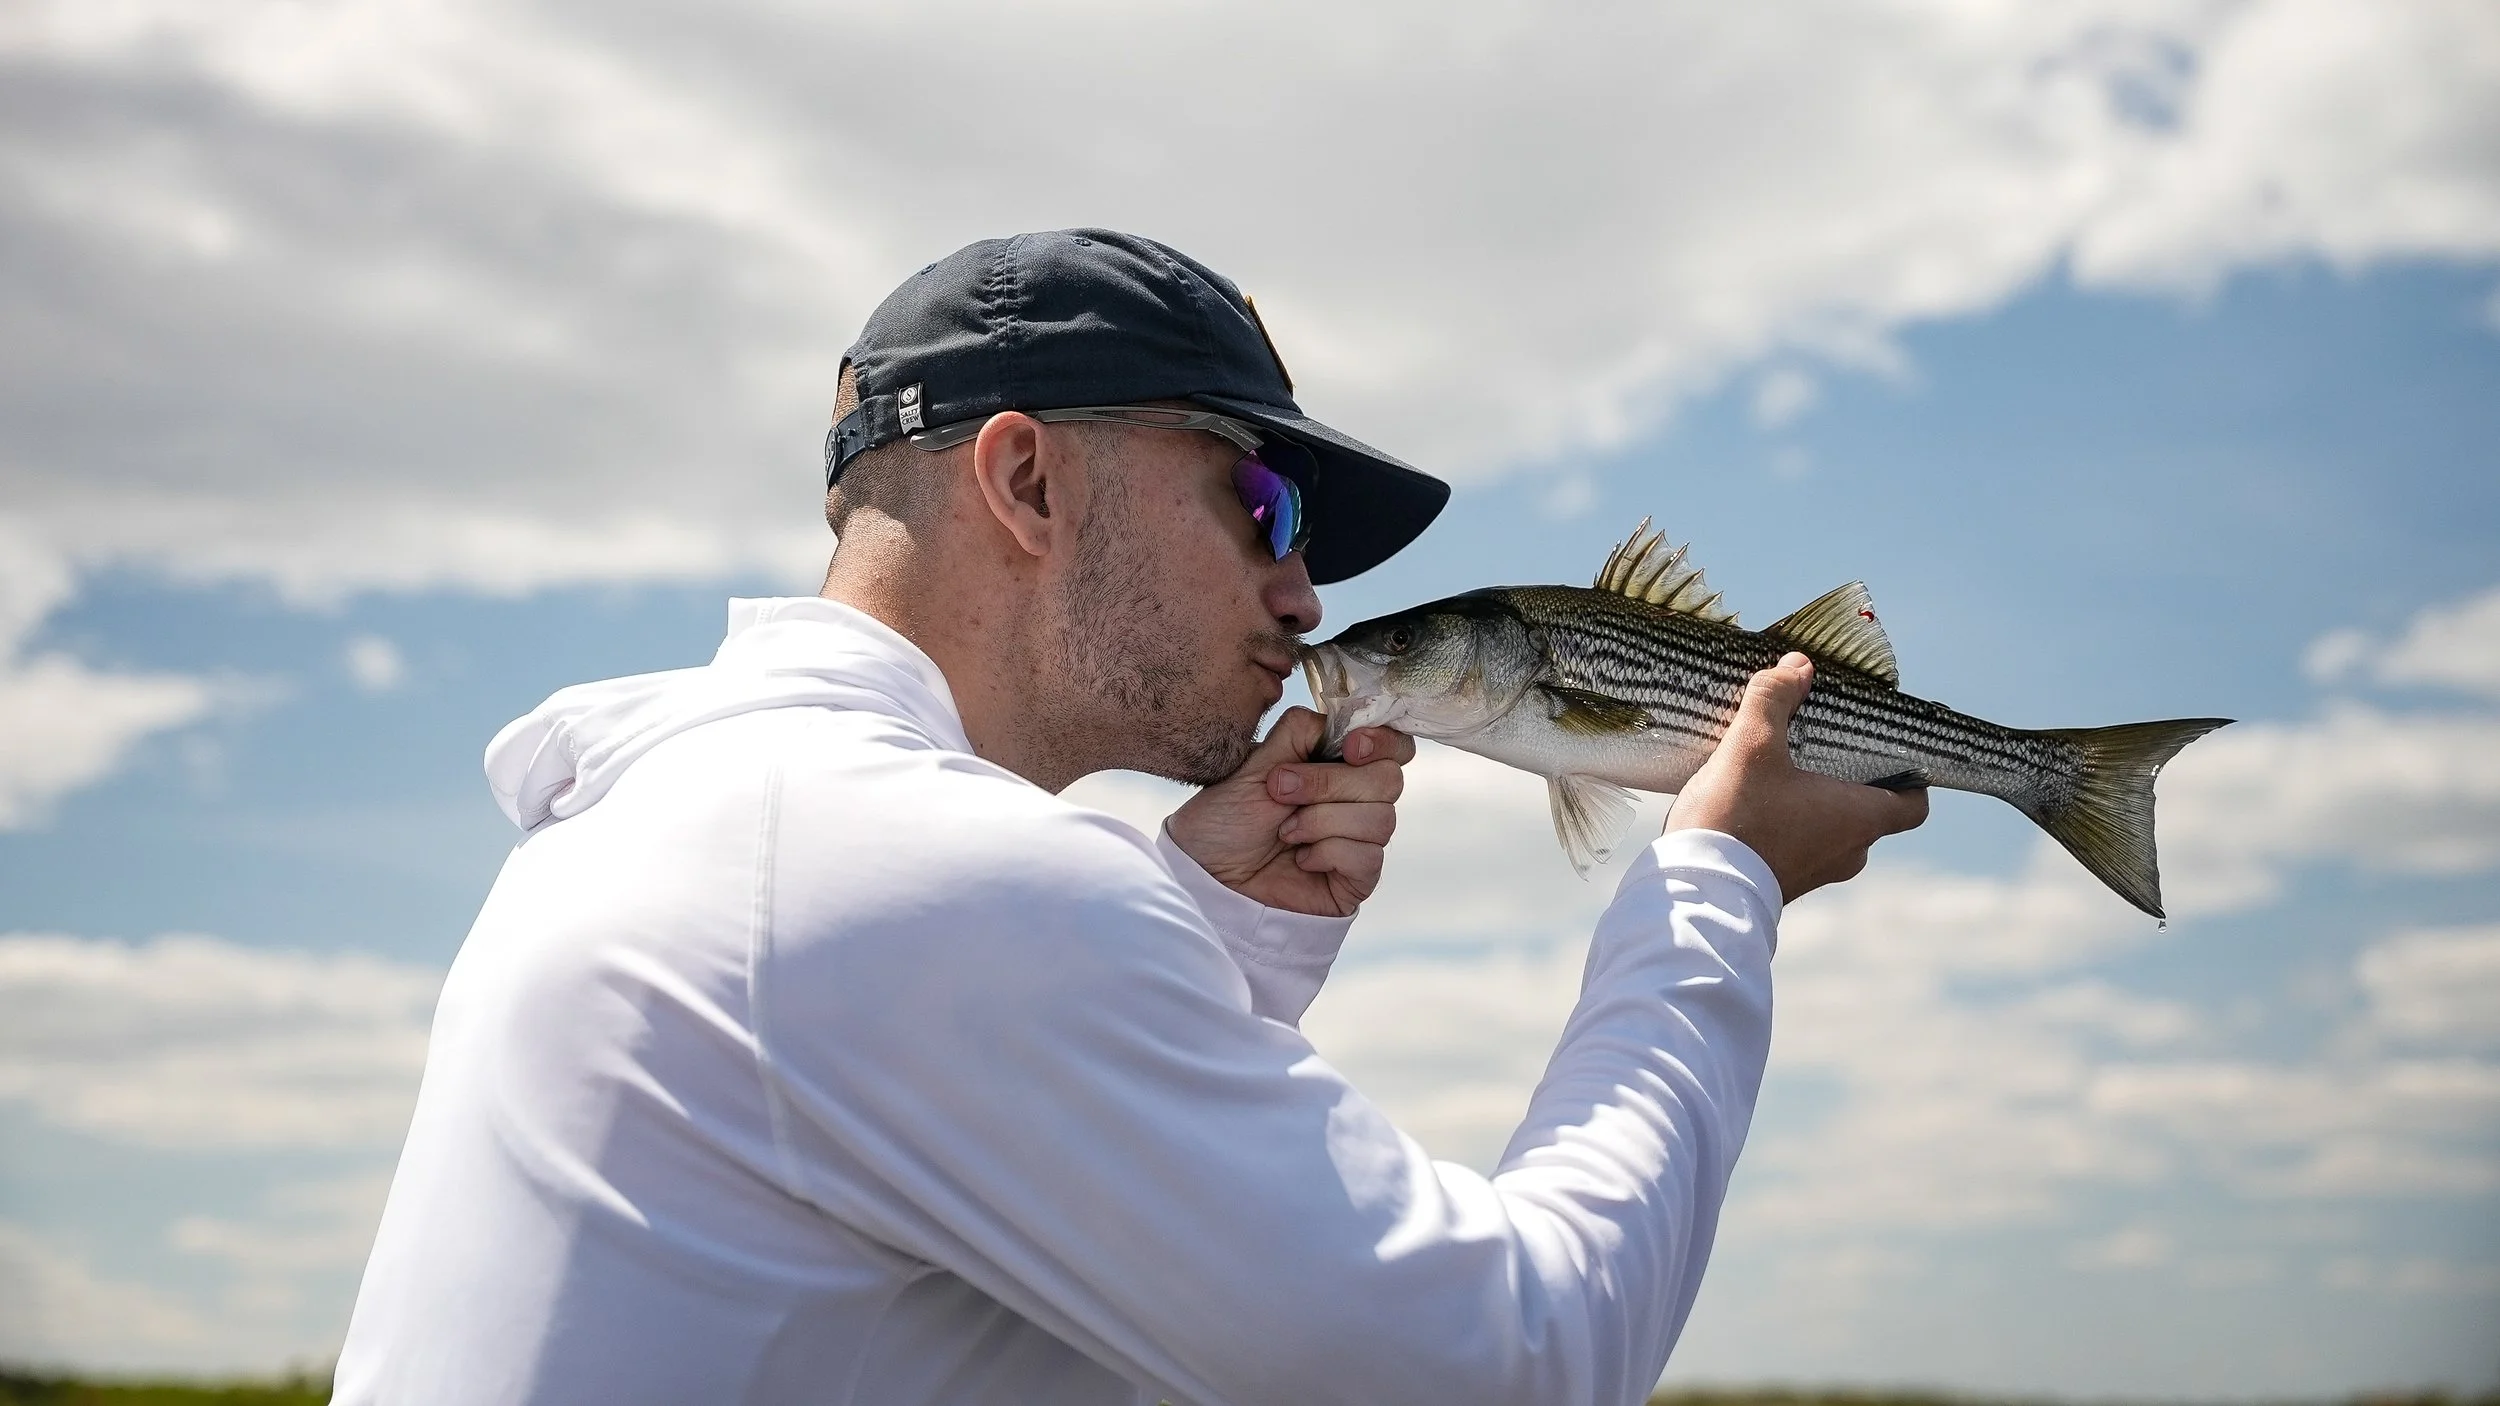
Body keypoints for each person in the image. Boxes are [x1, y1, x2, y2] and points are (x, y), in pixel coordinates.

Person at [330, 229, 1927, 1406]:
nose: (1302, 588)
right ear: (1025, 485)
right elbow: (1514, 1360)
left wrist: (1211, 925)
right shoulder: (926, 886)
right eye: (1262, 502)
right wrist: (1720, 884)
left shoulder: (678, 814)